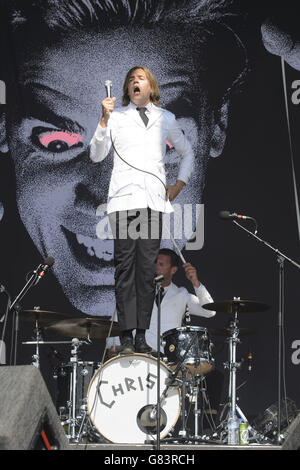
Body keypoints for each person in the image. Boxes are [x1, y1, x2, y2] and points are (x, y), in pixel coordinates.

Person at [89, 67, 194, 354]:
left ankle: (140, 336)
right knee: (125, 270)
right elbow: (96, 155)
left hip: (152, 204)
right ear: (127, 89)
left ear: (151, 87)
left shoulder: (166, 118)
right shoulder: (117, 117)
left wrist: (179, 184)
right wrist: (103, 120)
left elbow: (187, 152)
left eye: (141, 78)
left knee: (147, 272)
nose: (136, 81)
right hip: (124, 202)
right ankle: (125, 335)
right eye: (132, 79)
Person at [107, 248, 215, 355]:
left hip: (166, 361)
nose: (155, 268)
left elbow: (210, 312)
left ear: (173, 270)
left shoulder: (182, 295)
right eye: (154, 263)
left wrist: (195, 282)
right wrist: (113, 345)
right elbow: (117, 322)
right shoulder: (136, 291)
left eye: (161, 264)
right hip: (136, 358)